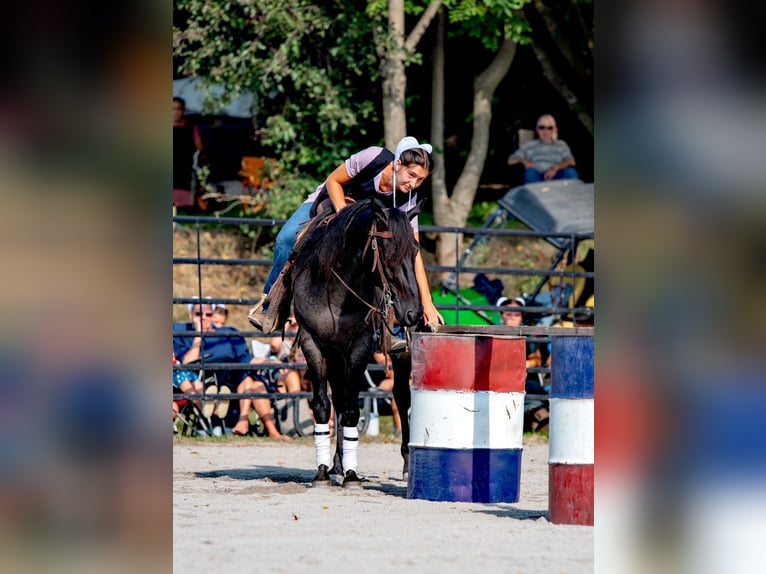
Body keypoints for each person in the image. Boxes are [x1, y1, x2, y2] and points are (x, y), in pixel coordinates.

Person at [248, 136, 445, 334]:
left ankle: (386, 331)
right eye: (411, 175)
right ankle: (271, 305)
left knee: (384, 261)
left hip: (366, 225)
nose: (414, 184)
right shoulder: (373, 157)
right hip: (334, 202)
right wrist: (343, 214)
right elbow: (334, 180)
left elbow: (413, 252)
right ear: (397, 164)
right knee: (286, 239)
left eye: (420, 180)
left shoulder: (408, 199)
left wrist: (427, 303)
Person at [173, 299, 288, 440]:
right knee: (251, 382)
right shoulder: (183, 334)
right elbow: (187, 363)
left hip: (234, 375)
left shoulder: (229, 332)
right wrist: (198, 334)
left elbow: (246, 359)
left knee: (254, 382)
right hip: (204, 378)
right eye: (198, 314)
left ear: (213, 315)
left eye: (208, 314)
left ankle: (269, 430)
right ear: (191, 315)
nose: (203, 317)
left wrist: (271, 361)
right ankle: (247, 422)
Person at [497, 296, 550, 431]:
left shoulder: (529, 336)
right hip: (500, 379)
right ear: (502, 315)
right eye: (508, 314)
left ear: (522, 317)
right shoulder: (494, 335)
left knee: (531, 395)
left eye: (517, 314)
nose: (513, 317)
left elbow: (536, 360)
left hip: (524, 379)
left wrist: (521, 366)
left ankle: (538, 417)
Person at [506, 114, 579, 183]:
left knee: (571, 172)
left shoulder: (561, 144)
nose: (545, 131)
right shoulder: (530, 145)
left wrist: (555, 168)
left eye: (549, 128)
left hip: (557, 176)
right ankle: (534, 195)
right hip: (537, 176)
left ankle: (566, 195)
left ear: (555, 130)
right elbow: (510, 160)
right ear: (537, 130)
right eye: (542, 127)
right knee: (530, 173)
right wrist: (524, 161)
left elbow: (571, 161)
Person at [173, 96, 204, 207]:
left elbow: (199, 147)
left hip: (184, 167)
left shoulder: (190, 127)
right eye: (173, 109)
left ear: (183, 110)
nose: (176, 112)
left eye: (178, 109)